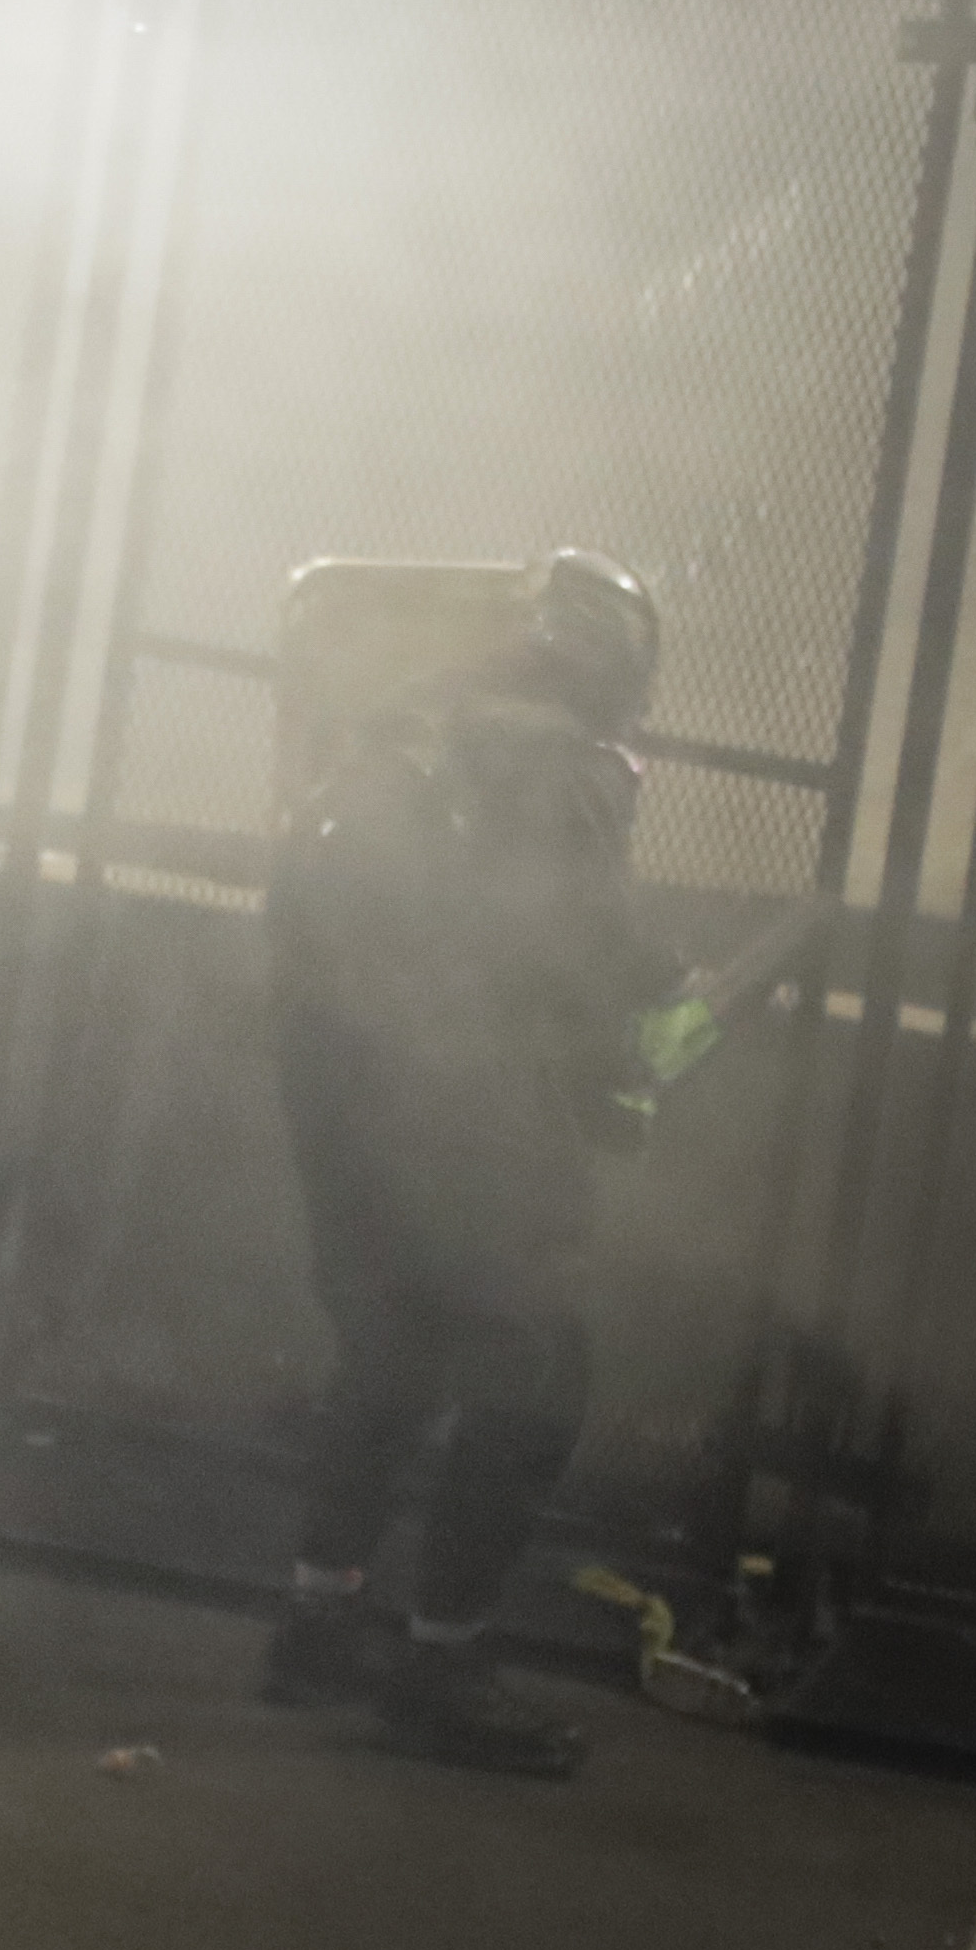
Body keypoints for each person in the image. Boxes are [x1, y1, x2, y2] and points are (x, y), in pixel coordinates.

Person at [261, 550, 692, 1775]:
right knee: (535, 1372)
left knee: (391, 1350)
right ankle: (442, 1665)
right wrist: (656, 1015)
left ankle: (318, 1622)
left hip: (343, 1104)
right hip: (453, 1111)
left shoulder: (403, 747)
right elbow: (569, 949)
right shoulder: (550, 762)